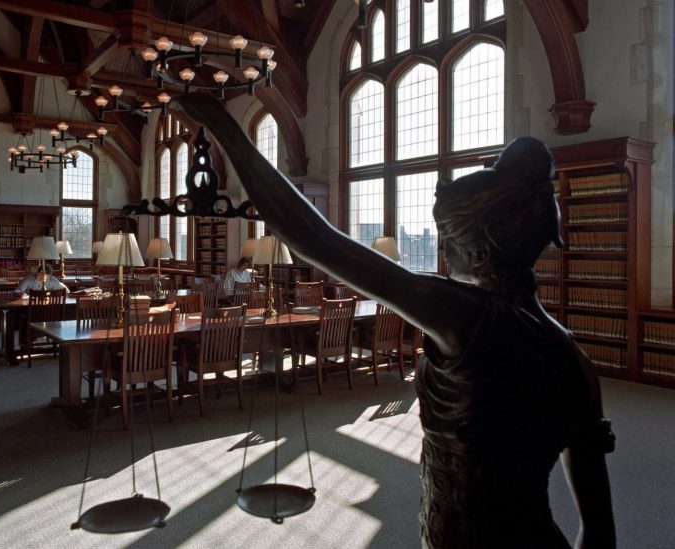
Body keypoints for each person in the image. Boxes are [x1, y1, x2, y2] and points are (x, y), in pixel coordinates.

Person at [174, 94, 616, 548]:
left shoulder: (466, 319)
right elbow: (600, 529)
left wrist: (223, 126)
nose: (442, 255)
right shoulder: (569, 354)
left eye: (449, 244)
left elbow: (314, 239)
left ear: (481, 251)